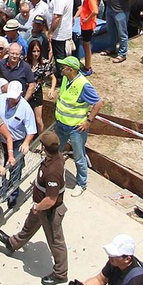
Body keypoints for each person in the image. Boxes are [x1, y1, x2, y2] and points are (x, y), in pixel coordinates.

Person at [0, 129, 68, 285]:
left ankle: (60, 273)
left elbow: (51, 199)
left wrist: (38, 207)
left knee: (56, 242)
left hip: (49, 210)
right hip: (40, 206)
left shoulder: (53, 170)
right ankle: (13, 243)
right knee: (29, 226)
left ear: (44, 148)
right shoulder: (55, 158)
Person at [52, 56, 101, 193]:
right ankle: (56, 176)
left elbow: (98, 103)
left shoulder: (83, 85)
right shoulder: (66, 79)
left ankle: (81, 183)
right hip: (61, 125)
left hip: (76, 128)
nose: (61, 68)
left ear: (71, 69)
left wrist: (88, 122)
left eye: (64, 66)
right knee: (57, 152)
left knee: (79, 156)